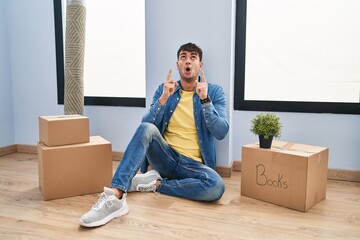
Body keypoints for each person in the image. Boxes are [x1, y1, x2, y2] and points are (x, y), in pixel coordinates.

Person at [79, 43, 229, 227]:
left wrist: (205, 100)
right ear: (177, 64)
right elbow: (147, 125)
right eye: (183, 57)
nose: (187, 61)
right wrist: (163, 99)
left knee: (216, 186)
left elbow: (221, 132)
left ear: (200, 65)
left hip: (194, 166)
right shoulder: (165, 89)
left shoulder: (214, 92)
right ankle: (116, 196)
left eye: (193, 57)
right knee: (146, 128)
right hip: (166, 157)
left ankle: (155, 184)